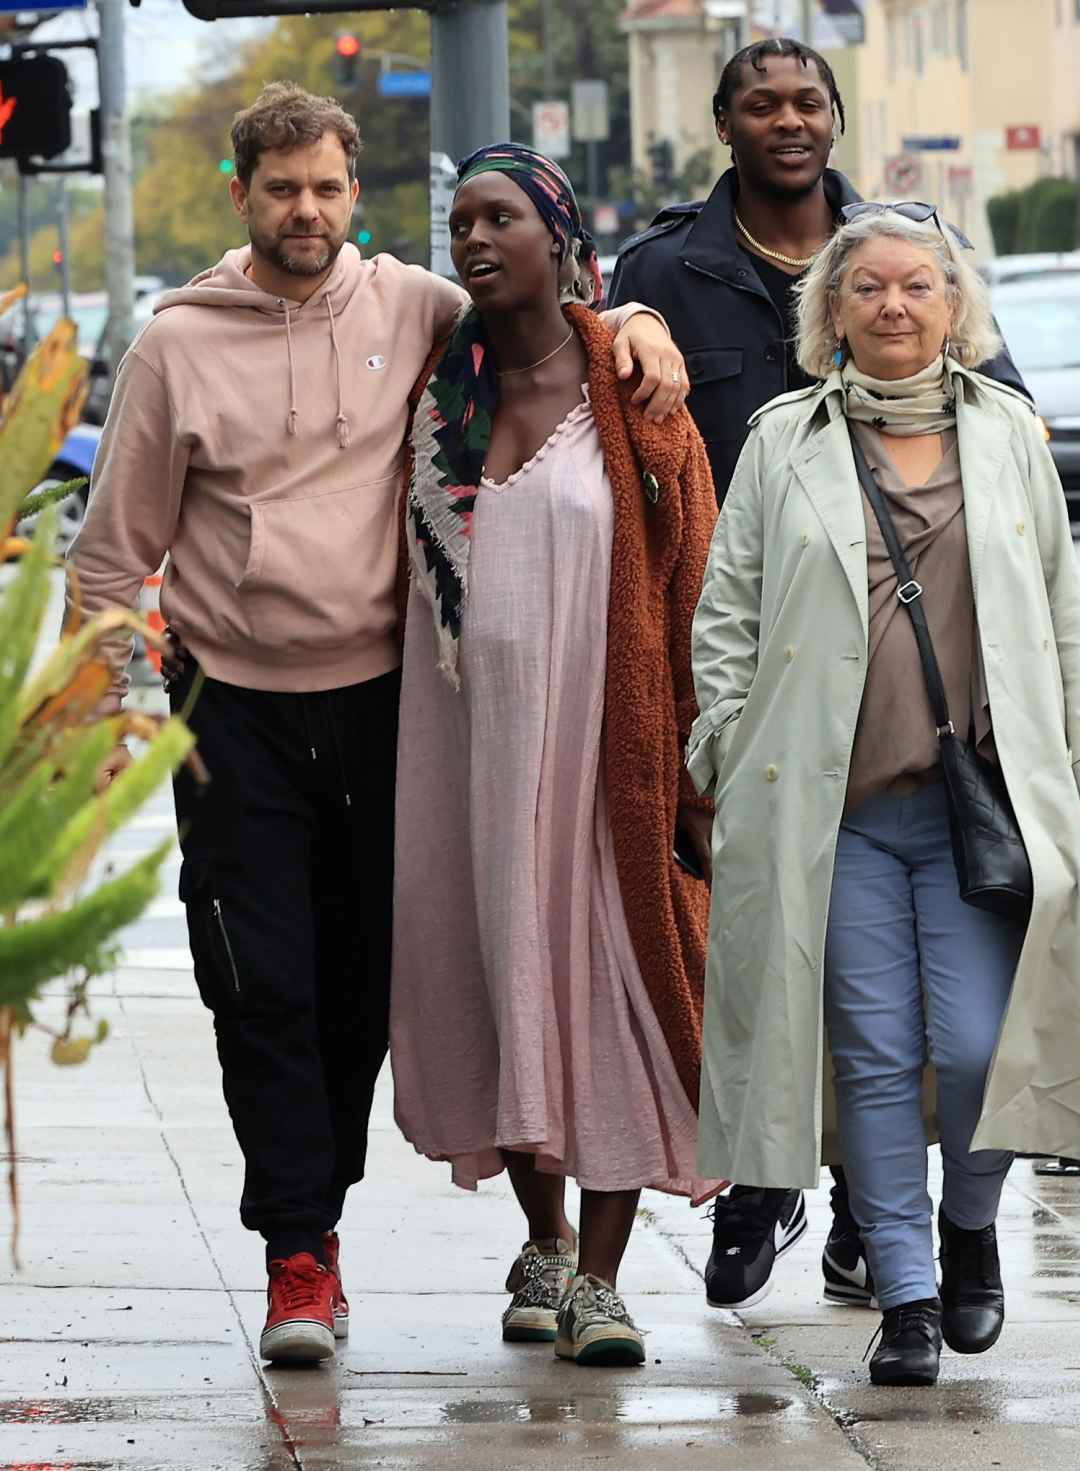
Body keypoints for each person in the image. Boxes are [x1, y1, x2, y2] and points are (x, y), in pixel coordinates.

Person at [65, 83, 689, 1368]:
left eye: (328, 188)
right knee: (260, 987)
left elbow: (542, 311)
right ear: (241, 196)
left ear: (357, 196)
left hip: (387, 712)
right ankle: (299, 1252)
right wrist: (127, 717)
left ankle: (327, 1214)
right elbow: (107, 563)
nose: (306, 210)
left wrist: (639, 317)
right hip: (228, 711)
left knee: (361, 991)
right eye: (281, 188)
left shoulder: (414, 307)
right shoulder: (173, 346)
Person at [687, 202, 1080, 1387]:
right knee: (878, 1056)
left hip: (976, 808)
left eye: (918, 286)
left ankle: (971, 1225)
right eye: (868, 288)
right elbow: (724, 622)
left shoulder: (1010, 438)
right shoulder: (784, 441)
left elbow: (1063, 622)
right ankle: (907, 1295)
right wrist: (729, 749)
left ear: (955, 307)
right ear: (830, 312)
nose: (894, 305)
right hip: (828, 815)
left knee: (989, 1044)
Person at [611, 34, 1029, 1317]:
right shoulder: (665, 269)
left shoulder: (900, 253)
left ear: (836, 118)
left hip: (911, 688)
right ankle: (764, 1187)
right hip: (750, 658)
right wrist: (620, 314)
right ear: (724, 124)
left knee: (917, 1014)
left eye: (808, 101)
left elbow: (1000, 409)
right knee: (780, 964)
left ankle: (876, 1225)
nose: (788, 121)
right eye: (761, 104)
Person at [388, 144, 720, 1368]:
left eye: (502, 219)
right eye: (460, 221)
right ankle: (541, 1238)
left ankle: (602, 1275)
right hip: (468, 764)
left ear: (561, 238)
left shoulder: (633, 393)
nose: (476, 240)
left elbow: (698, 584)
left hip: (604, 763)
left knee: (613, 994)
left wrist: (698, 763)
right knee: (500, 984)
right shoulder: (433, 393)